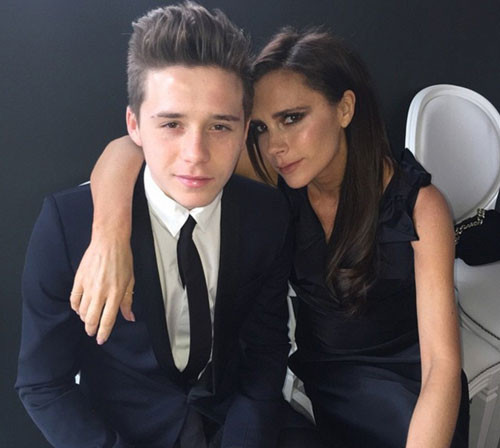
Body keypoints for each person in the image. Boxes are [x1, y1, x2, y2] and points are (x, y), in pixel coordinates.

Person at [69, 25, 469, 448]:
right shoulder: (278, 173)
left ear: (345, 108)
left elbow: (441, 366)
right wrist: (109, 238)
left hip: (409, 388)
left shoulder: (419, 207)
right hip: (323, 387)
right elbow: (129, 149)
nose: (275, 145)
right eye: (260, 128)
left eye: (292, 119)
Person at [16, 4, 326, 447]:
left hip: (234, 421)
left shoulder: (266, 215)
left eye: (220, 127)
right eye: (172, 124)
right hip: (123, 433)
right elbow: (44, 385)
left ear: (244, 132)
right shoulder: (67, 226)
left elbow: (266, 352)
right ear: (134, 125)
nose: (195, 154)